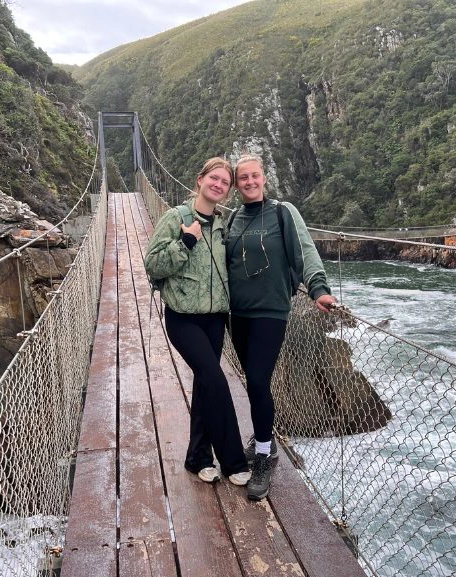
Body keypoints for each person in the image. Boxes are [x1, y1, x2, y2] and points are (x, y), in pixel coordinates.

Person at [225, 154, 337, 501]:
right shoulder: (231, 219)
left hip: (271, 311)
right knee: (252, 381)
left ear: (264, 178)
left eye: (254, 175)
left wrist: (318, 288)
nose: (249, 181)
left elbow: (305, 251)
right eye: (242, 177)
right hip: (236, 313)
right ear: (236, 184)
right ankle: (263, 437)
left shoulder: (282, 212)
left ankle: (264, 456)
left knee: (259, 380)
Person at [144, 157, 250, 486]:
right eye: (213, 179)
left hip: (215, 318)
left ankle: (198, 458)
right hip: (183, 318)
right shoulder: (177, 217)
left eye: (224, 183)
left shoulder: (223, 224)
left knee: (206, 384)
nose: (218, 185)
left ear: (228, 191)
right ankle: (233, 462)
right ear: (200, 179)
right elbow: (153, 264)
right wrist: (186, 242)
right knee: (216, 380)